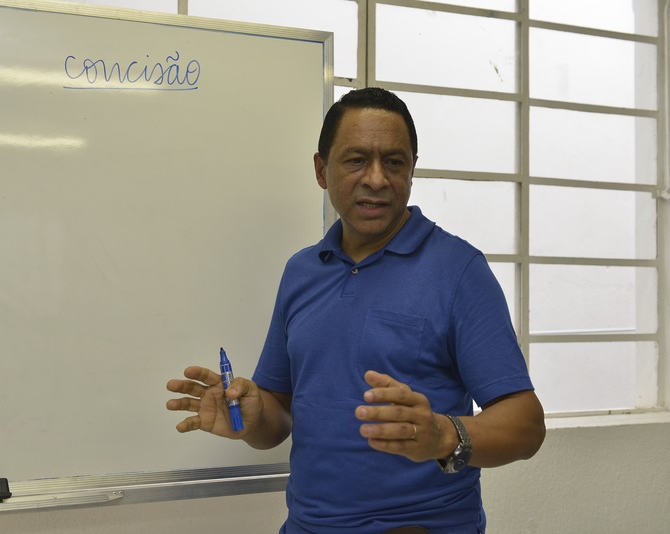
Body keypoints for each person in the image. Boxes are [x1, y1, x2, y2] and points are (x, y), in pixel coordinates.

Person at [166, 87, 545, 534]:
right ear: (321, 170)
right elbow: (278, 416)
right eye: (357, 160)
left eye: (394, 162)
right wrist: (253, 418)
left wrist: (445, 434)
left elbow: (526, 423)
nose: (377, 179)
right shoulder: (302, 271)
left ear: (412, 169)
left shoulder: (459, 270)